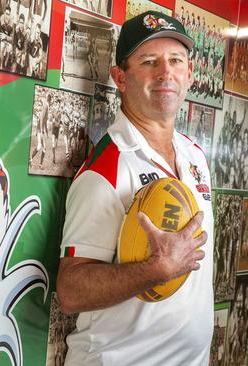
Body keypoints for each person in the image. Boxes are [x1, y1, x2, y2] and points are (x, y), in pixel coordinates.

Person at [57, 11, 214, 365]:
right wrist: (154, 270)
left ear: (190, 74)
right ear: (120, 78)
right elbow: (71, 291)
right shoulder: (108, 168)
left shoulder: (196, 158)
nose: (166, 73)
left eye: (176, 60)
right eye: (149, 61)